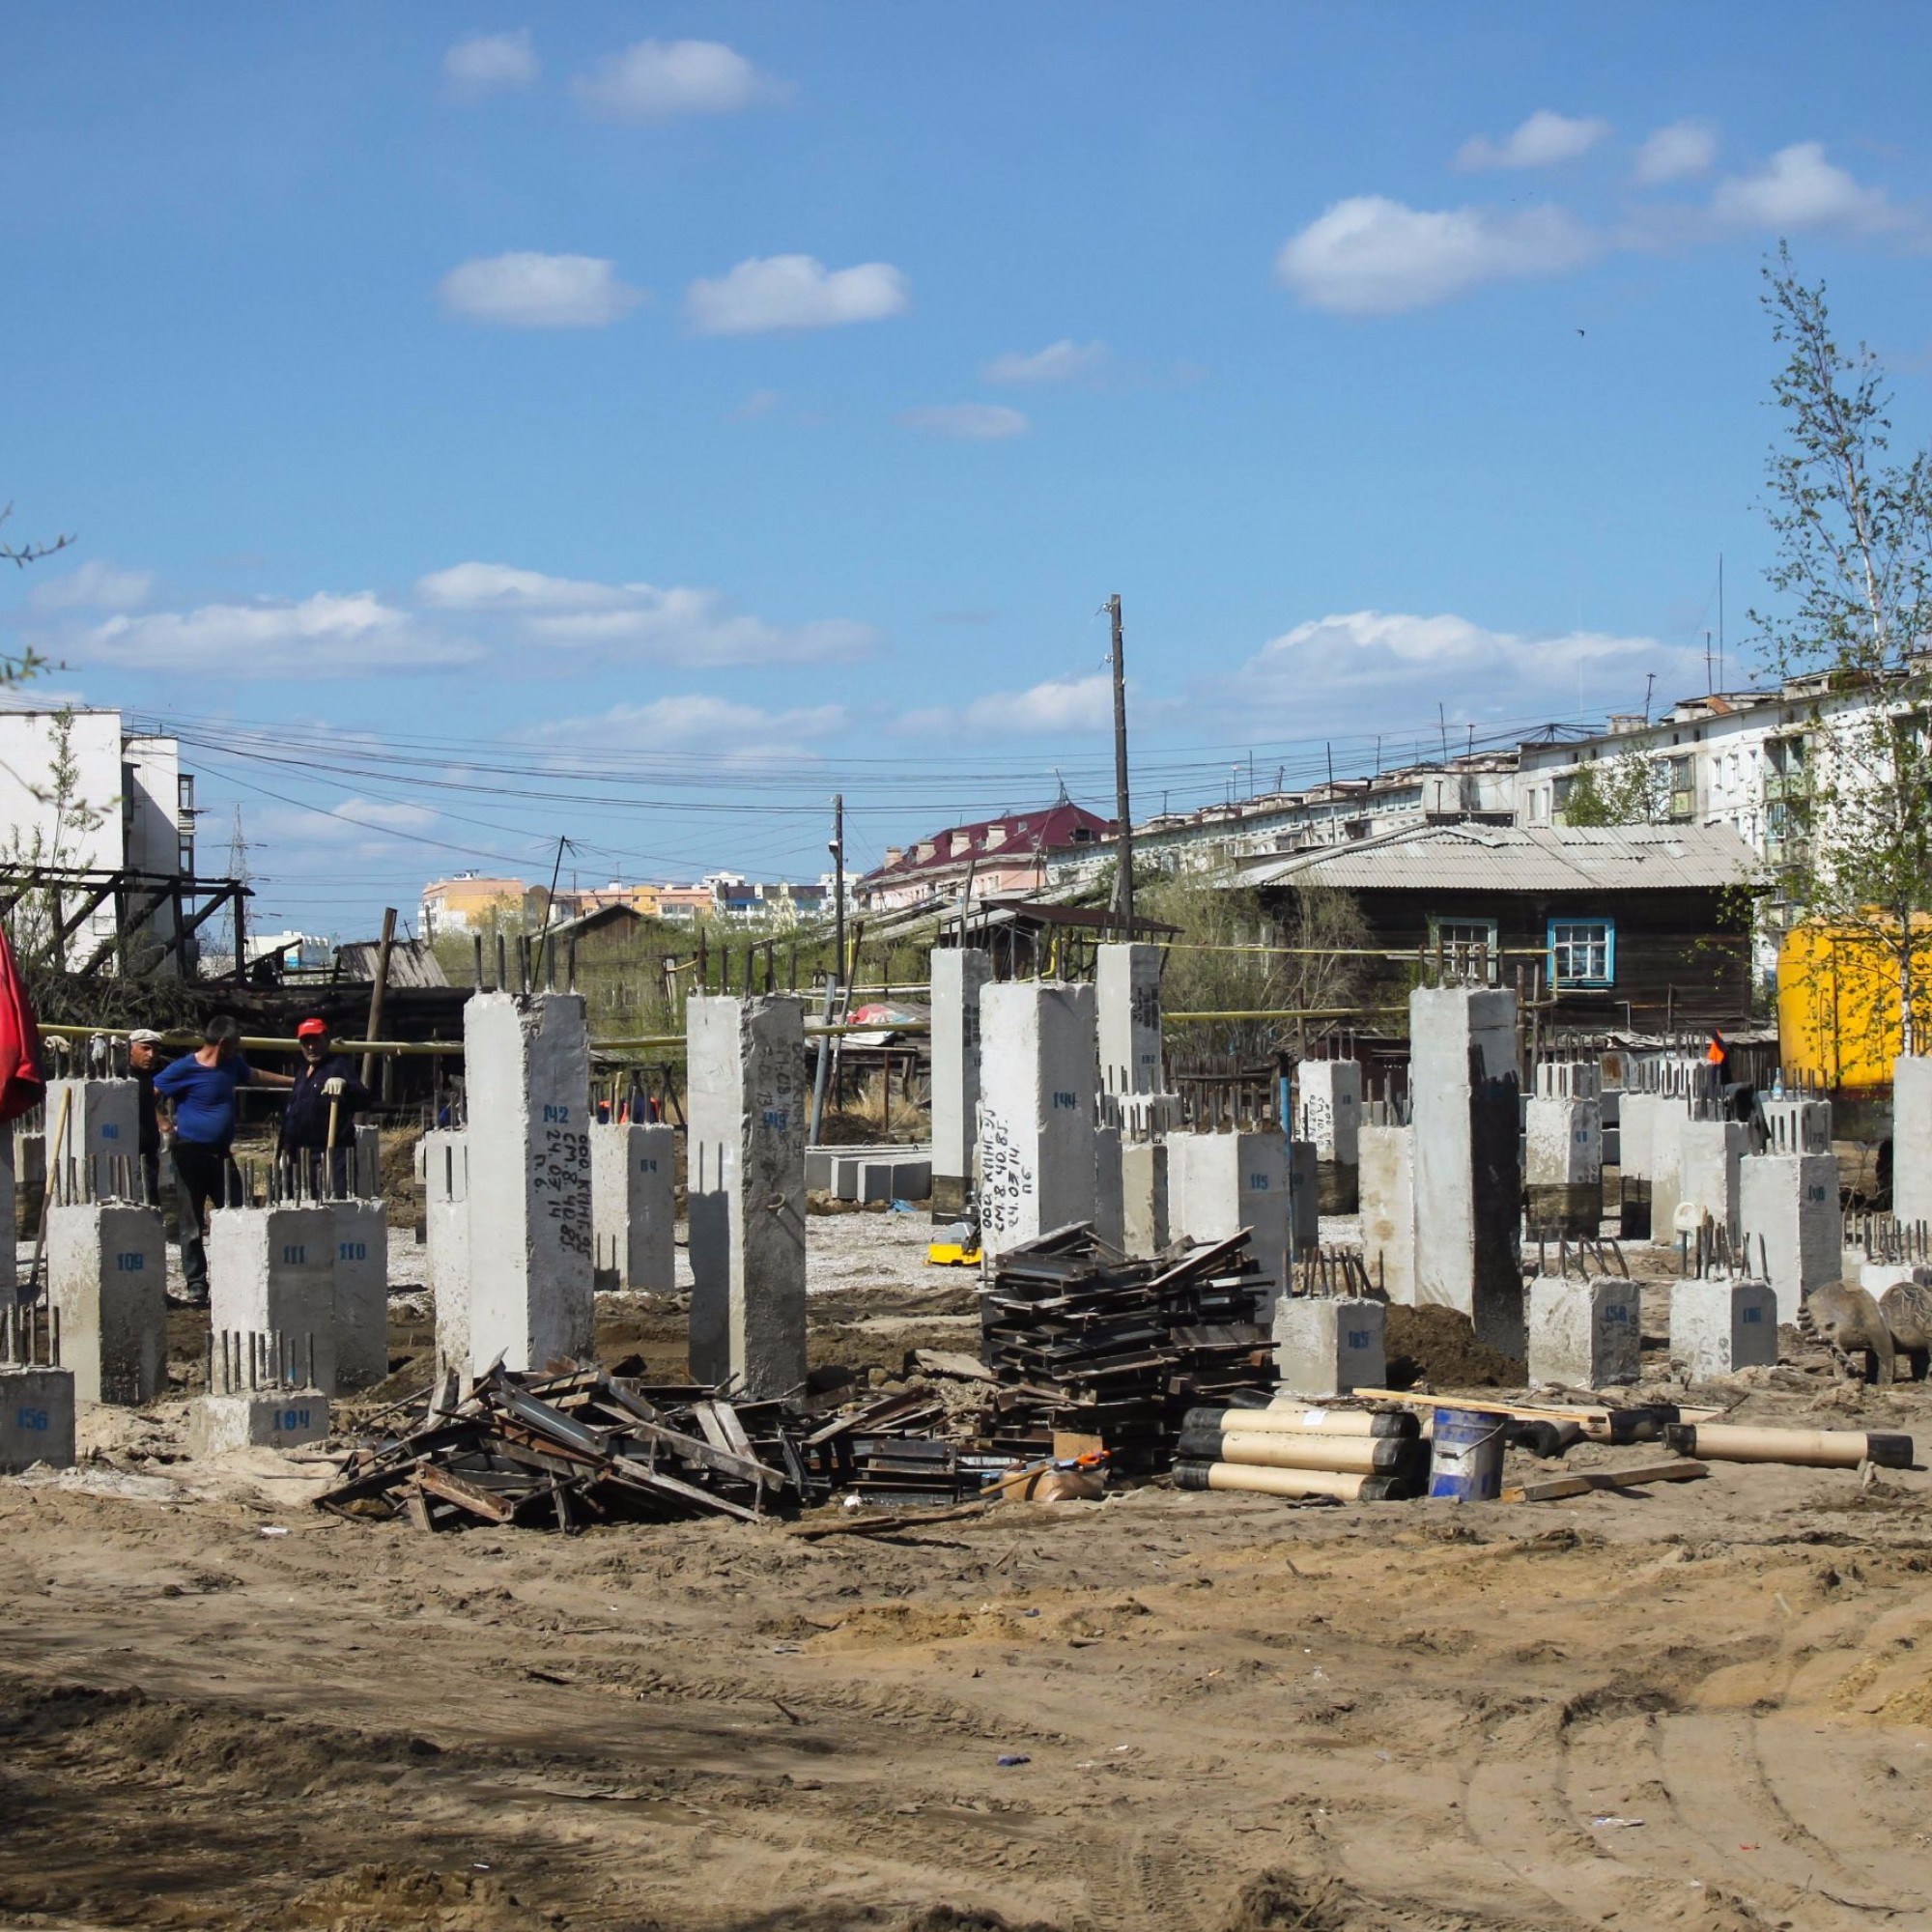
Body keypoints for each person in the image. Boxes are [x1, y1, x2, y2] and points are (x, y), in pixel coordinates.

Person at [154, 1015, 294, 1305]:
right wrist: (163, 1123)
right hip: (189, 1155)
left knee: (239, 1214)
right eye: (236, 1045)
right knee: (191, 1224)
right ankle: (196, 1286)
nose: (238, 1050)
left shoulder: (232, 1066)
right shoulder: (184, 1068)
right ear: (222, 1043)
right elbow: (146, 1095)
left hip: (221, 1155)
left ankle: (242, 1276)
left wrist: (297, 1081)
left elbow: (255, 1075)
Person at [278, 1017, 372, 1197]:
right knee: (303, 1208)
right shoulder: (302, 1073)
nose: (311, 1047)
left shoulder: (338, 1066)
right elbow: (293, 1115)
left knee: (336, 1205)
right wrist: (286, 1149)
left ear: (327, 1040)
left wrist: (345, 1085)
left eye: (316, 1040)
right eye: (306, 1042)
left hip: (333, 1153)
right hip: (301, 1155)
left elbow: (364, 1099)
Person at [127, 1028, 165, 1208]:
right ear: (131, 1048)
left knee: (151, 1203)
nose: (151, 1055)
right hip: (128, 1157)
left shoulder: (147, 1077)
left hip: (148, 1155)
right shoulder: (121, 1076)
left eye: (155, 1050)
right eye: (146, 1048)